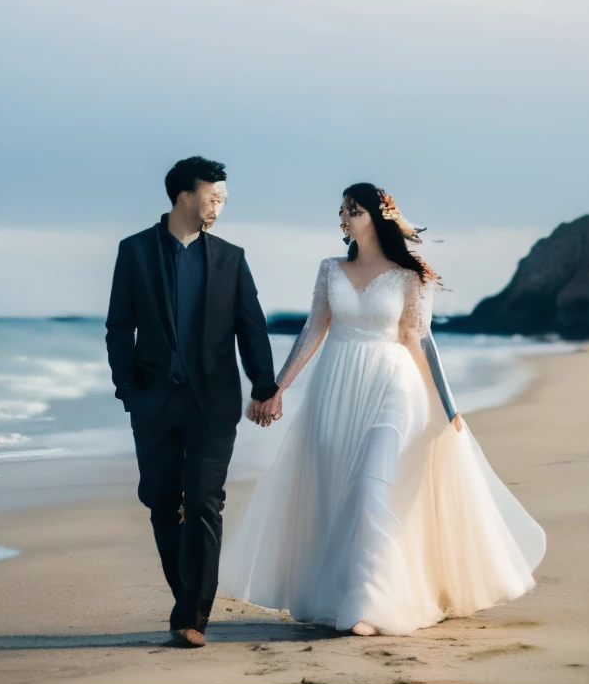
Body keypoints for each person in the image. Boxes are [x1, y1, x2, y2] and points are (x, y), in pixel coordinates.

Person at [219, 183, 545, 636]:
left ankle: (370, 607)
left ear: (376, 216)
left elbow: (418, 340)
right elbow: (314, 330)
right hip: (336, 386)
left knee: (373, 487)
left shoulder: (411, 276)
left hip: (394, 385)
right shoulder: (330, 269)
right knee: (337, 491)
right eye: (342, 210)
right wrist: (278, 388)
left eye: (353, 210)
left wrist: (447, 407)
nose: (345, 218)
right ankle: (343, 595)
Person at [104, 156, 280, 648]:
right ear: (185, 194)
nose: (220, 206)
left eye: (224, 199)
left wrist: (264, 384)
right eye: (213, 196)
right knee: (161, 501)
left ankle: (192, 617)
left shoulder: (230, 257)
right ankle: (188, 595)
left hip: (212, 403)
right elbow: (120, 326)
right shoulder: (135, 251)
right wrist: (128, 388)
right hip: (154, 402)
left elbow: (252, 326)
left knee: (204, 502)